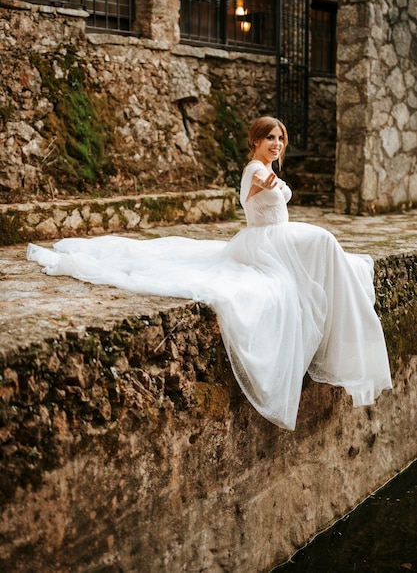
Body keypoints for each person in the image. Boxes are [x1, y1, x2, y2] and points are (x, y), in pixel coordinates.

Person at [27, 116, 392, 430]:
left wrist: (272, 183)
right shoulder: (255, 169)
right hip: (264, 241)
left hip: (276, 237)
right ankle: (343, 304)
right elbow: (250, 193)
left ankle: (341, 294)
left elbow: (273, 190)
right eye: (270, 138)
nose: (277, 143)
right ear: (255, 141)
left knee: (328, 247)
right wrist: (261, 186)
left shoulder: (269, 168)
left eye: (280, 138)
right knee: (325, 240)